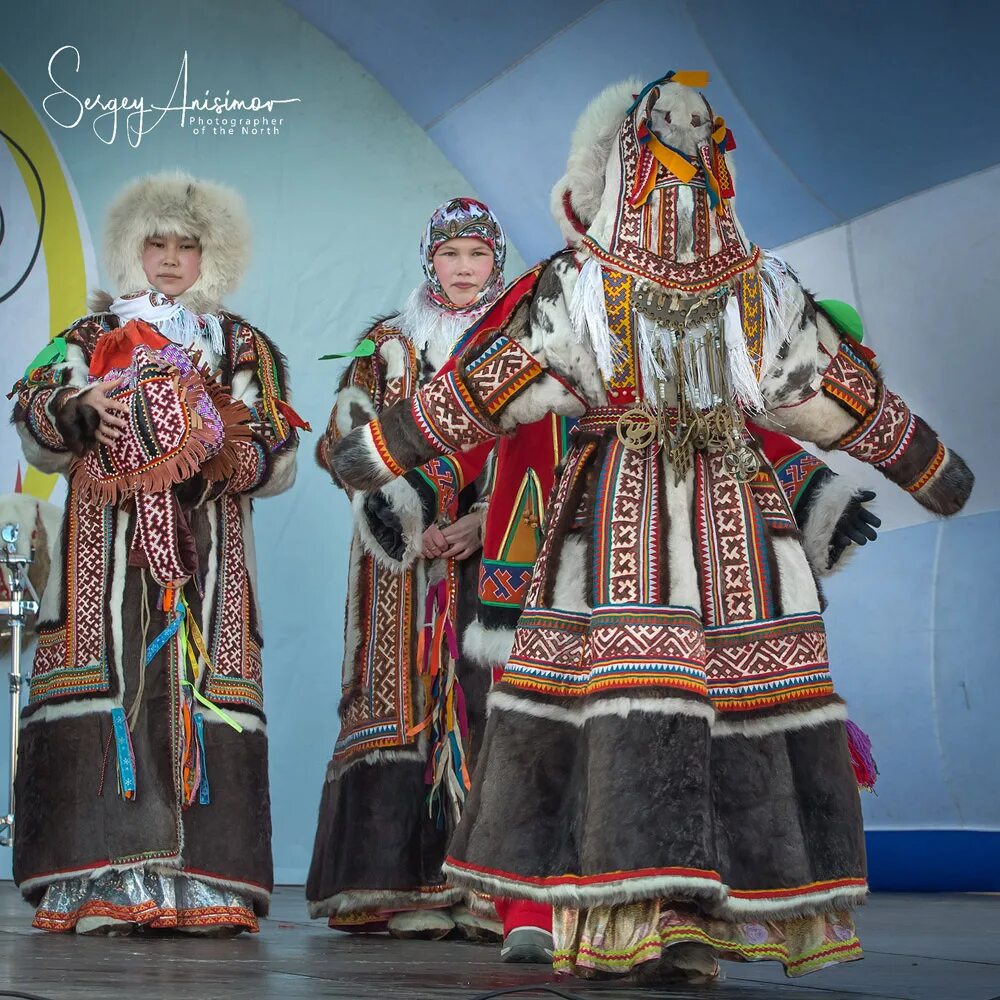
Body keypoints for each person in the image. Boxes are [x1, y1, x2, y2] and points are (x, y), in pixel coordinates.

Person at [328, 74, 973, 982]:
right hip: (660, 523)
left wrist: (927, 462)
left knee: (681, 709)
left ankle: (677, 917)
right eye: (670, 155)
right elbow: (494, 387)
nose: (682, 181)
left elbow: (824, 387)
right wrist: (382, 451)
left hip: (696, 524)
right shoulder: (628, 286)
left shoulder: (730, 285)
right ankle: (632, 917)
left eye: (695, 155)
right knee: (640, 704)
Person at [10, 171, 300, 934]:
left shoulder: (240, 343)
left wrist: (218, 450)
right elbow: (34, 422)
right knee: (117, 701)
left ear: (214, 255)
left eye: (188, 245)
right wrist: (82, 409)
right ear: (131, 249)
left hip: (209, 565)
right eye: (157, 242)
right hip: (103, 559)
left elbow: (279, 449)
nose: (171, 258)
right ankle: (99, 879)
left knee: (196, 696)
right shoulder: (84, 338)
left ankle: (204, 883)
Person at [306, 198, 503, 941]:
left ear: (496, 264)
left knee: (489, 700)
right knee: (397, 696)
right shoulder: (385, 345)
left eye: (477, 256)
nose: (462, 269)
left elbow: (548, 445)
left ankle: (488, 889)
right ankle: (395, 886)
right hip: (397, 556)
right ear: (430, 260)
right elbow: (341, 443)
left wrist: (482, 520)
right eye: (451, 254)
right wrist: (407, 517)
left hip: (494, 547)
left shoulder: (516, 346)